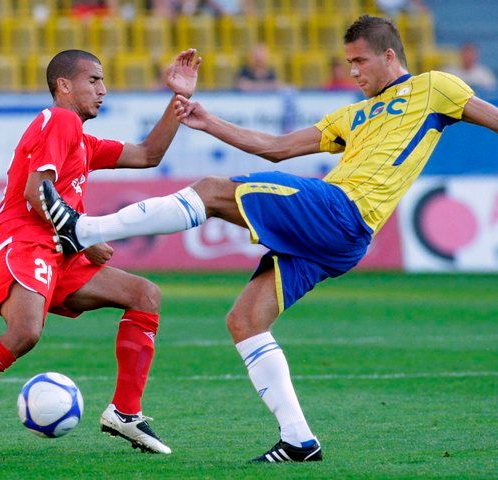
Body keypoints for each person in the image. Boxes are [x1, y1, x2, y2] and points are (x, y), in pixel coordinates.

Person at [40, 15, 498, 463]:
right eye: (348, 62)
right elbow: (275, 148)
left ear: (389, 55)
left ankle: (82, 228)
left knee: (211, 191)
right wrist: (207, 120)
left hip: (344, 209)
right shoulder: (353, 114)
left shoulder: (435, 86)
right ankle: (299, 440)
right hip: (339, 240)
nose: (353, 71)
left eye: (359, 61)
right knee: (245, 320)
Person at [0, 48, 201, 461]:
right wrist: (83, 234)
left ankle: (125, 412)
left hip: (58, 248)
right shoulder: (58, 120)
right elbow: (35, 194)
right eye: (94, 81)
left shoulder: (82, 139)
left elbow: (147, 154)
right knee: (25, 333)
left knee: (145, 295)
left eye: (103, 81)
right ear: (64, 86)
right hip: (23, 240)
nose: (103, 90)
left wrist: (179, 101)